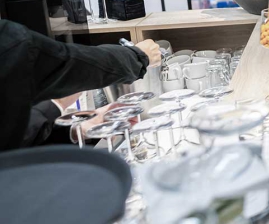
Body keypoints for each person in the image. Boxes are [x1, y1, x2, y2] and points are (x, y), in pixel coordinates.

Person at [0, 19, 161, 150]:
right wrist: (137, 56)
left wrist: (76, 130)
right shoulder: (11, 42)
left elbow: (10, 138)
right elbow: (71, 62)